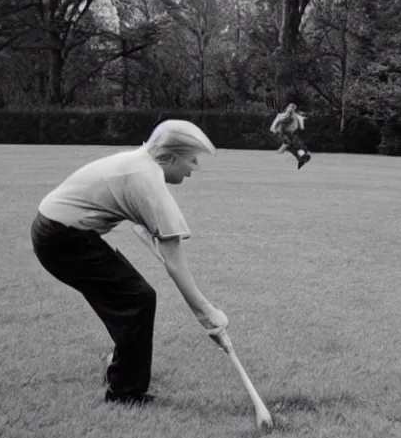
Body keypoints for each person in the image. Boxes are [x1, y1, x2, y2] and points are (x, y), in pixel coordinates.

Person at [30, 120, 229, 405]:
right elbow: (174, 260)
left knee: (132, 298)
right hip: (62, 239)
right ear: (171, 157)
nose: (192, 169)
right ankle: (125, 393)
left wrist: (159, 249)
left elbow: (141, 228)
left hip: (59, 233)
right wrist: (208, 313)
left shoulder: (139, 164)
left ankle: (120, 364)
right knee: (138, 299)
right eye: (191, 160)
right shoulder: (146, 179)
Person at [270, 102, 311, 170]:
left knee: (295, 147)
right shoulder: (281, 116)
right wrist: (276, 131)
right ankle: (301, 157)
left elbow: (301, 127)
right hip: (284, 135)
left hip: (289, 135)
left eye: (292, 108)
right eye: (290, 107)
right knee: (292, 145)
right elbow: (273, 127)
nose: (291, 109)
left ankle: (301, 158)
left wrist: (301, 120)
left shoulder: (295, 116)